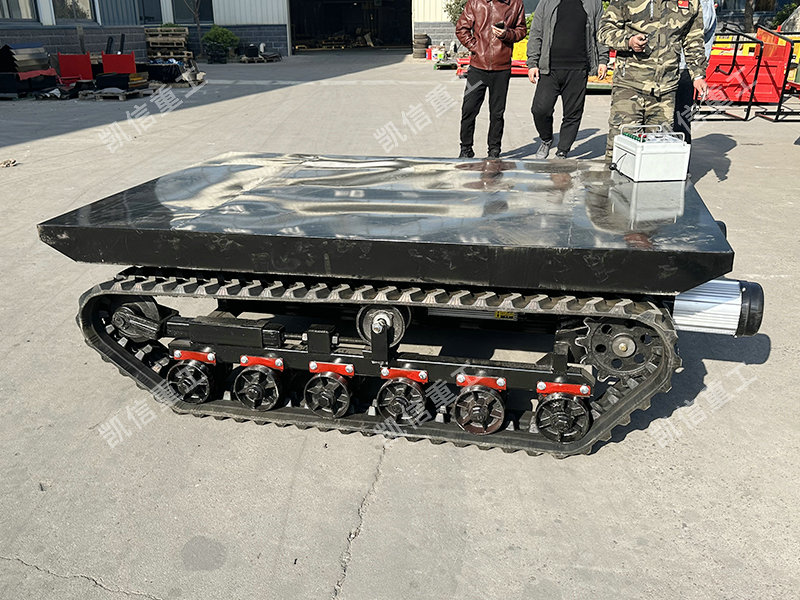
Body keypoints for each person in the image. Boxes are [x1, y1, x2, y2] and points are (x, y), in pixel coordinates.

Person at [598, 0, 709, 160]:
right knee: (623, 150)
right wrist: (628, 41)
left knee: (658, 152)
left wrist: (698, 75)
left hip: (666, 89)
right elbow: (604, 30)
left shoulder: (691, 2)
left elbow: (693, 40)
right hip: (629, 86)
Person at [527, 0, 609, 159]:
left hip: (578, 68)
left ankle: (562, 150)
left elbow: (601, 33)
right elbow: (536, 31)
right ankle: (546, 139)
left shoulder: (593, 3)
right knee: (540, 109)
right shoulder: (547, 2)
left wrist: (603, 60)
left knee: (573, 113)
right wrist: (532, 62)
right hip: (549, 68)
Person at [456, 0, 527, 159]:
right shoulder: (475, 2)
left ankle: (494, 150)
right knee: (468, 109)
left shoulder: (515, 4)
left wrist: (506, 34)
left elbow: (521, 30)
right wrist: (475, 47)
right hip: (477, 68)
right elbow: (461, 28)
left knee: (497, 113)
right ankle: (466, 148)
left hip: (502, 68)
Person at [673, 0, 717, 144]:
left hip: (684, 66)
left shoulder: (701, 2)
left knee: (679, 118)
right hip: (674, 65)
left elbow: (701, 27)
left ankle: (680, 152)